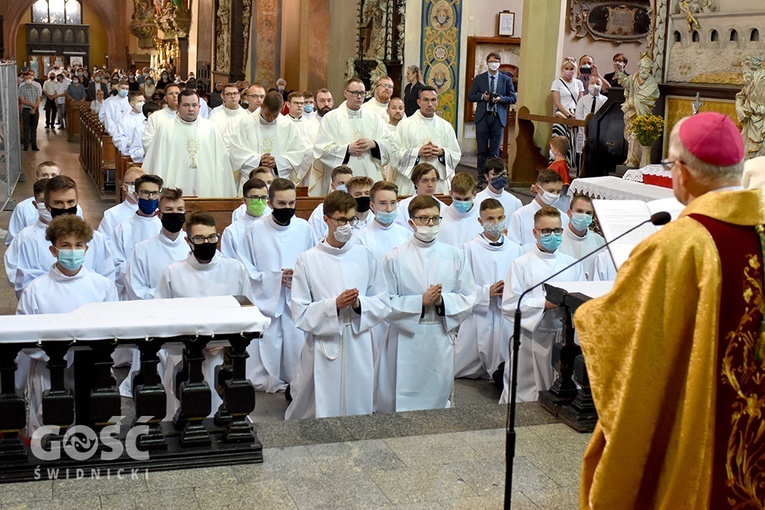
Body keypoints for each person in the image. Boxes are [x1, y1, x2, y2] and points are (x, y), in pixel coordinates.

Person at [575, 112, 765, 509]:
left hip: (700, 426)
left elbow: (631, 339)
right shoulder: (759, 232)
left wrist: (589, 317)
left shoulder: (678, 244)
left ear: (684, 172)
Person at [286, 191, 390, 419]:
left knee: (357, 397)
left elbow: (383, 301)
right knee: (321, 399)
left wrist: (359, 304)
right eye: (341, 220)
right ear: (326, 220)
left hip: (358, 338)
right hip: (325, 340)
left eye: (351, 220)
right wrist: (334, 305)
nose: (347, 226)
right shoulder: (308, 259)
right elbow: (300, 311)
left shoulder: (366, 255)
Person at [16, 215, 118, 431]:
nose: (73, 251)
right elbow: (24, 334)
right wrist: (57, 356)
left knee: (94, 422)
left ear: (86, 249)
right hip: (50, 368)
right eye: (66, 245)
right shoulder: (36, 290)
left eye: (78, 245)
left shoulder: (103, 286)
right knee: (52, 426)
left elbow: (113, 326)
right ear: (53, 250)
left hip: (93, 367)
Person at [379, 195, 475, 412]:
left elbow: (468, 296)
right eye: (424, 219)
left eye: (435, 219)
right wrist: (420, 302)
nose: (430, 224)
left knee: (437, 395)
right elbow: (384, 302)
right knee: (403, 392)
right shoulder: (394, 258)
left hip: (439, 332)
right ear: (411, 222)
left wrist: (442, 301)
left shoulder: (455, 255)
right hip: (405, 337)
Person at [155, 211, 252, 420]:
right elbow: (161, 314)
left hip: (222, 354)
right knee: (182, 413)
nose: (206, 242)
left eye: (211, 237)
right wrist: (194, 340)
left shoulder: (235, 269)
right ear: (188, 241)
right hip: (184, 354)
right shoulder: (173, 272)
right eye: (199, 238)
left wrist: (225, 340)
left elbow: (247, 312)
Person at [237, 178, 317, 393]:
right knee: (270, 341)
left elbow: (313, 259)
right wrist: (273, 279)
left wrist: (299, 276)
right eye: (282, 204)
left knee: (294, 340)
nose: (287, 208)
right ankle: (267, 378)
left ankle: (295, 379)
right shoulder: (255, 230)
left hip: (295, 295)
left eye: (291, 204)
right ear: (270, 204)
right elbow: (246, 268)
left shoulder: (304, 228)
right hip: (267, 298)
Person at [500, 206, 584, 403]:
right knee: (527, 393)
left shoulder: (572, 264)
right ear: (535, 233)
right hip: (532, 335)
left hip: (564, 336)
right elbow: (510, 304)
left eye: (557, 231)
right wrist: (543, 304)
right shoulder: (521, 264)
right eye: (546, 231)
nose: (552, 235)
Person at [13, 176, 115, 298]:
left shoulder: (96, 239)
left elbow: (107, 278)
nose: (66, 208)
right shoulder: (31, 242)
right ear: (47, 206)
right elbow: (24, 286)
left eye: (70, 202)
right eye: (58, 203)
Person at [456, 198, 523, 379]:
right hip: (479, 313)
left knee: (506, 359)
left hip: (504, 311)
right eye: (491, 219)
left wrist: (508, 290)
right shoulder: (469, 248)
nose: (496, 223)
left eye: (500, 218)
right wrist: (487, 292)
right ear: (480, 221)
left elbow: (522, 282)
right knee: (461, 366)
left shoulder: (515, 249)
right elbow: (461, 286)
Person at [143, 89, 236, 197]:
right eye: (186, 105)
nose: (191, 109)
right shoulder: (166, 128)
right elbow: (158, 162)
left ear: (199, 107)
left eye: (194, 105)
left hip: (206, 188)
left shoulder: (211, 128)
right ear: (178, 107)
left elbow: (221, 163)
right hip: (173, 193)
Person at [312, 78, 392, 193]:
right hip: (343, 179)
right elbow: (321, 150)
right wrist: (348, 149)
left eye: (362, 93)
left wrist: (373, 144)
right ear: (346, 93)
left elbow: (390, 144)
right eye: (355, 93)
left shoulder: (374, 118)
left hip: (370, 176)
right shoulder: (331, 118)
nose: (359, 96)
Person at [228, 91, 308, 191]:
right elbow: (237, 151)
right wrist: (259, 160)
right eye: (268, 114)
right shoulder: (245, 123)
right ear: (261, 106)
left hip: (278, 182)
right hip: (252, 182)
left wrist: (277, 162)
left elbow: (297, 153)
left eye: (275, 116)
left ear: (282, 109)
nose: (271, 118)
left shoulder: (288, 125)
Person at [392, 86, 462, 195]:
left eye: (433, 100)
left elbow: (456, 154)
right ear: (419, 102)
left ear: (437, 102)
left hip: (437, 183)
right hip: (411, 183)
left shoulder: (445, 126)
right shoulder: (405, 125)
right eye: (426, 100)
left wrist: (442, 152)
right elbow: (394, 153)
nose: (430, 104)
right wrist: (417, 152)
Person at [124, 187, 188, 300]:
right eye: (169, 210)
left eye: (179, 209)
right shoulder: (142, 249)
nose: (175, 214)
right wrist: (168, 295)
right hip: (155, 311)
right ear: (159, 215)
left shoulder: (193, 245)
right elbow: (135, 290)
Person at [467, 52, 517, 182]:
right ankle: (481, 176)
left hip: (498, 117)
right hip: (483, 116)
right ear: (487, 62)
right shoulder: (479, 78)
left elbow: (513, 98)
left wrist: (501, 99)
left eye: (496, 61)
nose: (494, 63)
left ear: (499, 63)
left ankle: (493, 176)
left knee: (494, 151)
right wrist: (482, 97)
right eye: (491, 61)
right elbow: (470, 96)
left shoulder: (506, 79)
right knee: (482, 149)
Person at [111, 174, 164, 295]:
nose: (150, 198)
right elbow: (115, 269)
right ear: (136, 195)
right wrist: (142, 264)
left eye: (154, 193)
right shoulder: (123, 229)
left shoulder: (164, 226)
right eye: (145, 193)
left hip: (162, 291)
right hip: (132, 293)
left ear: (159, 196)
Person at [6, 161, 78, 246]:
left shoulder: (74, 208)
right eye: (44, 175)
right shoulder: (23, 208)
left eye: (54, 175)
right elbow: (13, 241)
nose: (49, 178)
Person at [508, 169, 569, 248]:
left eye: (558, 192)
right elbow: (513, 247)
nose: (555, 195)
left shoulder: (563, 217)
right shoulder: (519, 215)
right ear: (537, 188)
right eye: (551, 191)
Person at [619, 54, 660, 168]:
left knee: (637, 135)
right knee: (631, 136)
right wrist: (621, 75)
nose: (643, 70)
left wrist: (631, 103)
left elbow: (645, 98)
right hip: (632, 113)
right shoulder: (634, 77)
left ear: (649, 70)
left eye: (646, 69)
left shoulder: (652, 82)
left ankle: (635, 160)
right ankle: (631, 159)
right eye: (642, 68)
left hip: (643, 112)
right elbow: (627, 84)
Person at [220, 177, 271, 258]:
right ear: (244, 200)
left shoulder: (273, 226)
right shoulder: (232, 232)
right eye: (255, 198)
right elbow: (229, 262)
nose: (260, 202)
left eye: (263, 198)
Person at [558, 194, 605, 281]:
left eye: (588, 213)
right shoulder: (557, 239)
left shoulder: (600, 241)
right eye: (579, 211)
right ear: (569, 213)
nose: (584, 216)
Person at [550, 57, 583, 171]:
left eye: (572, 68)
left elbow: (580, 101)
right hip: (562, 114)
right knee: (559, 142)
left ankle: (569, 167)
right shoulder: (557, 83)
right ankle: (556, 167)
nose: (569, 71)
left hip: (575, 114)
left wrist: (575, 117)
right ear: (562, 69)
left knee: (572, 143)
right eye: (567, 68)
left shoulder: (578, 83)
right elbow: (557, 102)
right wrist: (568, 116)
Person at [395, 163, 448, 230]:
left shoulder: (444, 208)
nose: (430, 185)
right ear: (416, 183)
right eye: (425, 181)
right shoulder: (402, 207)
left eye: (433, 180)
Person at [97, 166, 144, 242]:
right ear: (125, 187)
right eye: (134, 184)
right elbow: (102, 243)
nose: (138, 188)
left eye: (141, 184)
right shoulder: (111, 214)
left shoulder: (155, 212)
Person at [307, 165, 353, 240]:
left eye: (349, 183)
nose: (346, 187)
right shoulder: (320, 212)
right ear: (333, 186)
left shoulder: (359, 208)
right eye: (341, 183)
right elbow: (314, 238)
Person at [438, 172, 482, 247]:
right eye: (458, 199)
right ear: (451, 193)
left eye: (466, 199)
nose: (462, 203)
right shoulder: (441, 217)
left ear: (474, 195)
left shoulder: (482, 217)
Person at [141, 82, 181, 155]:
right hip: (162, 156)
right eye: (171, 94)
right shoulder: (155, 117)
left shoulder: (187, 117)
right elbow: (147, 140)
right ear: (165, 98)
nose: (174, 96)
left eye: (177, 93)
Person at [19, 71, 42, 151]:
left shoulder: (36, 88)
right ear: (24, 79)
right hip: (26, 109)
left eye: (29, 78)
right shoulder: (22, 88)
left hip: (35, 110)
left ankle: (34, 145)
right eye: (26, 79)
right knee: (26, 128)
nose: (28, 80)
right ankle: (26, 145)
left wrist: (35, 108)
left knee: (33, 128)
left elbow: (38, 99)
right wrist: (32, 105)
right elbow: (22, 100)